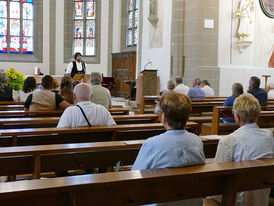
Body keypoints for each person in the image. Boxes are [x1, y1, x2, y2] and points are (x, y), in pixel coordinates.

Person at [132, 92, 205, 206]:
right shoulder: (197, 141)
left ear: (164, 117)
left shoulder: (152, 144)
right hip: (193, 202)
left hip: (160, 202)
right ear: (187, 118)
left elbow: (134, 176)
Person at [214, 94, 274, 206]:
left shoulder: (228, 140)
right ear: (257, 115)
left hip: (236, 200)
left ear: (237, 116)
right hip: (262, 198)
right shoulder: (268, 135)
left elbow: (217, 178)